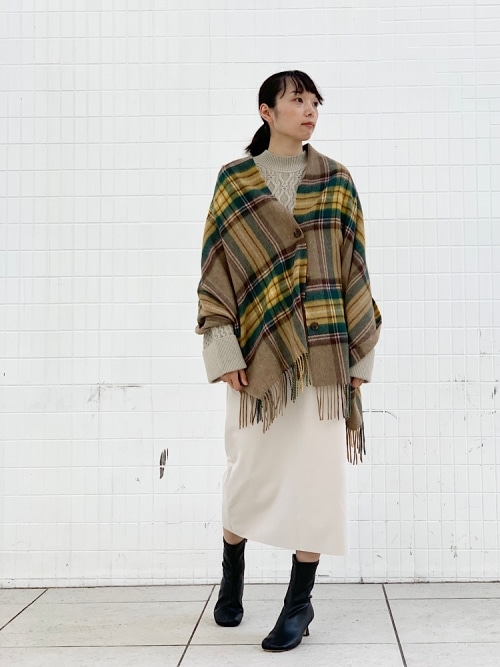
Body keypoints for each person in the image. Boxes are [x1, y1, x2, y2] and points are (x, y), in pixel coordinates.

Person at [195, 70, 381, 652]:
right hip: (256, 357)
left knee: (317, 481)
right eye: (297, 100)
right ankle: (232, 573)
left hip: (325, 356)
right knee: (247, 471)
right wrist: (223, 348)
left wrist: (359, 361)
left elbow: (354, 267)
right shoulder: (235, 181)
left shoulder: (336, 181)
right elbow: (215, 268)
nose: (309, 110)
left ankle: (299, 604)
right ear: (266, 110)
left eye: (314, 101)